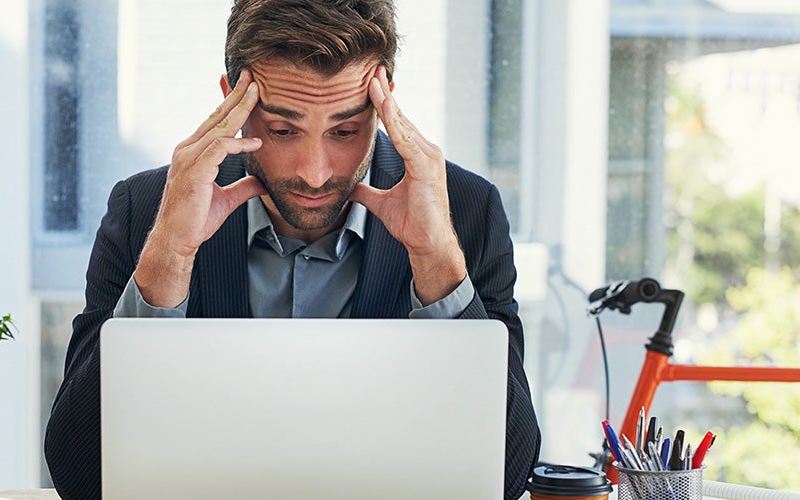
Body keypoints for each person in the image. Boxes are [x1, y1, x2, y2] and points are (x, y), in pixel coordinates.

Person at [43, 0, 540, 498]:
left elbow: (509, 472)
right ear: (230, 105)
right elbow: (80, 474)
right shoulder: (146, 209)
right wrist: (169, 255)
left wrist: (436, 260)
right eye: (282, 130)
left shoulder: (465, 213)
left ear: (385, 101)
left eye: (345, 131)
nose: (315, 172)